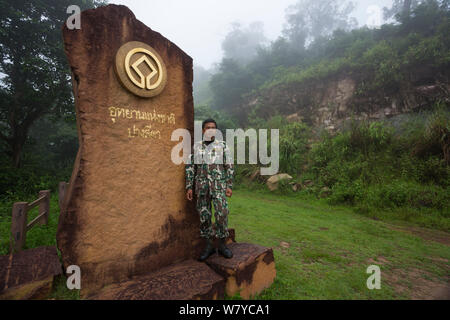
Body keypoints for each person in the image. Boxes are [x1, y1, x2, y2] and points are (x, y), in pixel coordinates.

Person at [185, 118, 234, 261]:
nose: (210, 129)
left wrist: (229, 185)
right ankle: (209, 246)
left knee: (222, 214)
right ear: (203, 130)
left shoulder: (223, 146)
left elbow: (229, 166)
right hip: (202, 188)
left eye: (213, 127)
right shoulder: (196, 147)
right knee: (204, 217)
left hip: (219, 187)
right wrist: (189, 187)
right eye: (208, 127)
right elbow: (190, 168)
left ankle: (222, 245)